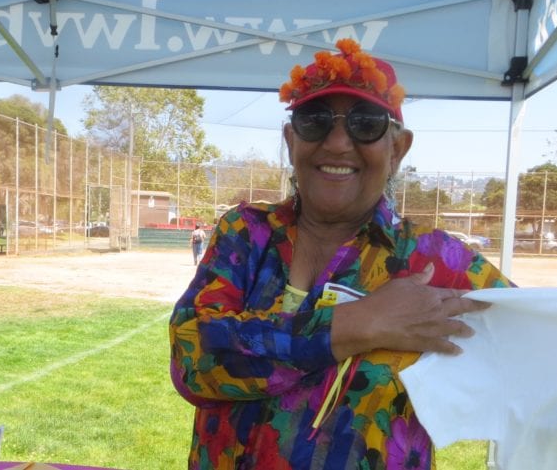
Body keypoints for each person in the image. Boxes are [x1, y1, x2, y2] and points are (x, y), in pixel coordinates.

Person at [169, 39, 511, 469]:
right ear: (291, 140)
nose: (336, 143)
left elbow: (541, 345)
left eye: (365, 123)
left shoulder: (433, 260)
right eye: (314, 121)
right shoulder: (246, 233)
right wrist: (360, 324)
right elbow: (193, 361)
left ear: (397, 149)